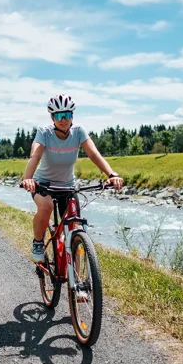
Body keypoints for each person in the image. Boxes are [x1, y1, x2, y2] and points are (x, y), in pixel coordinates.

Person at [21, 94, 123, 263]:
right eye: (59, 115)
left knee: (74, 228)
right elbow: (35, 155)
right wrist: (28, 178)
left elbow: (93, 153)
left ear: (72, 116)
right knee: (46, 207)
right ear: (52, 117)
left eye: (67, 115)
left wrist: (111, 174)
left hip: (68, 186)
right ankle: (38, 243)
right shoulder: (44, 133)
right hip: (43, 185)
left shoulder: (78, 132)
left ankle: (77, 287)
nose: (63, 120)